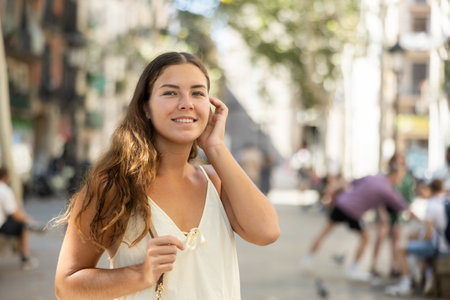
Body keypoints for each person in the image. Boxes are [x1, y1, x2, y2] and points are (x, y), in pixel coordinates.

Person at [54, 52, 280, 300]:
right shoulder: (115, 185)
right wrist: (141, 274)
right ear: (145, 107)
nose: (186, 103)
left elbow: (266, 232)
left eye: (197, 93)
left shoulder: (216, 181)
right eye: (170, 92)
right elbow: (66, 286)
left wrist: (216, 148)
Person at [300, 167, 409, 282]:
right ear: (395, 176)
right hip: (354, 211)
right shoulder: (387, 190)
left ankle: (307, 258)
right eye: (400, 177)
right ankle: (353, 268)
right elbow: (401, 206)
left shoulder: (372, 177)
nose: (400, 180)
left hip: (342, 203)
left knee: (324, 232)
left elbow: (352, 183)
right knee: (366, 238)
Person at [385, 179, 449, 296]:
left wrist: (418, 238)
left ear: (430, 189)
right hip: (445, 244)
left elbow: (428, 235)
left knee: (401, 248)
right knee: (416, 245)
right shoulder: (445, 201)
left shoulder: (432, 204)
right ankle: (423, 277)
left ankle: (406, 283)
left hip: (439, 247)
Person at [370, 153, 415, 280]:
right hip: (385, 210)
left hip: (398, 212)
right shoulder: (387, 176)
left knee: (395, 239)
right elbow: (379, 195)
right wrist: (382, 212)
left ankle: (394, 265)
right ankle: (374, 264)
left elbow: (408, 197)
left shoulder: (407, 178)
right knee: (381, 236)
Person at [0, 167, 39, 270]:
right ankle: (25, 258)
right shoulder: (4, 190)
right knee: (23, 226)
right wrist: (27, 219)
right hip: (1, 225)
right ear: (6, 177)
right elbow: (13, 213)